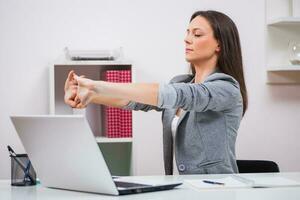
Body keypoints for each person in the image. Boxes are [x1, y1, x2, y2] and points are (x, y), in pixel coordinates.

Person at [64, 10, 248, 175]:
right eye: (188, 32)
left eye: (197, 34)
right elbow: (134, 101)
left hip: (217, 191)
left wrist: (96, 86)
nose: (187, 39)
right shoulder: (180, 82)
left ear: (219, 44)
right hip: (181, 189)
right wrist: (90, 95)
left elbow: (179, 95)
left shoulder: (226, 88)